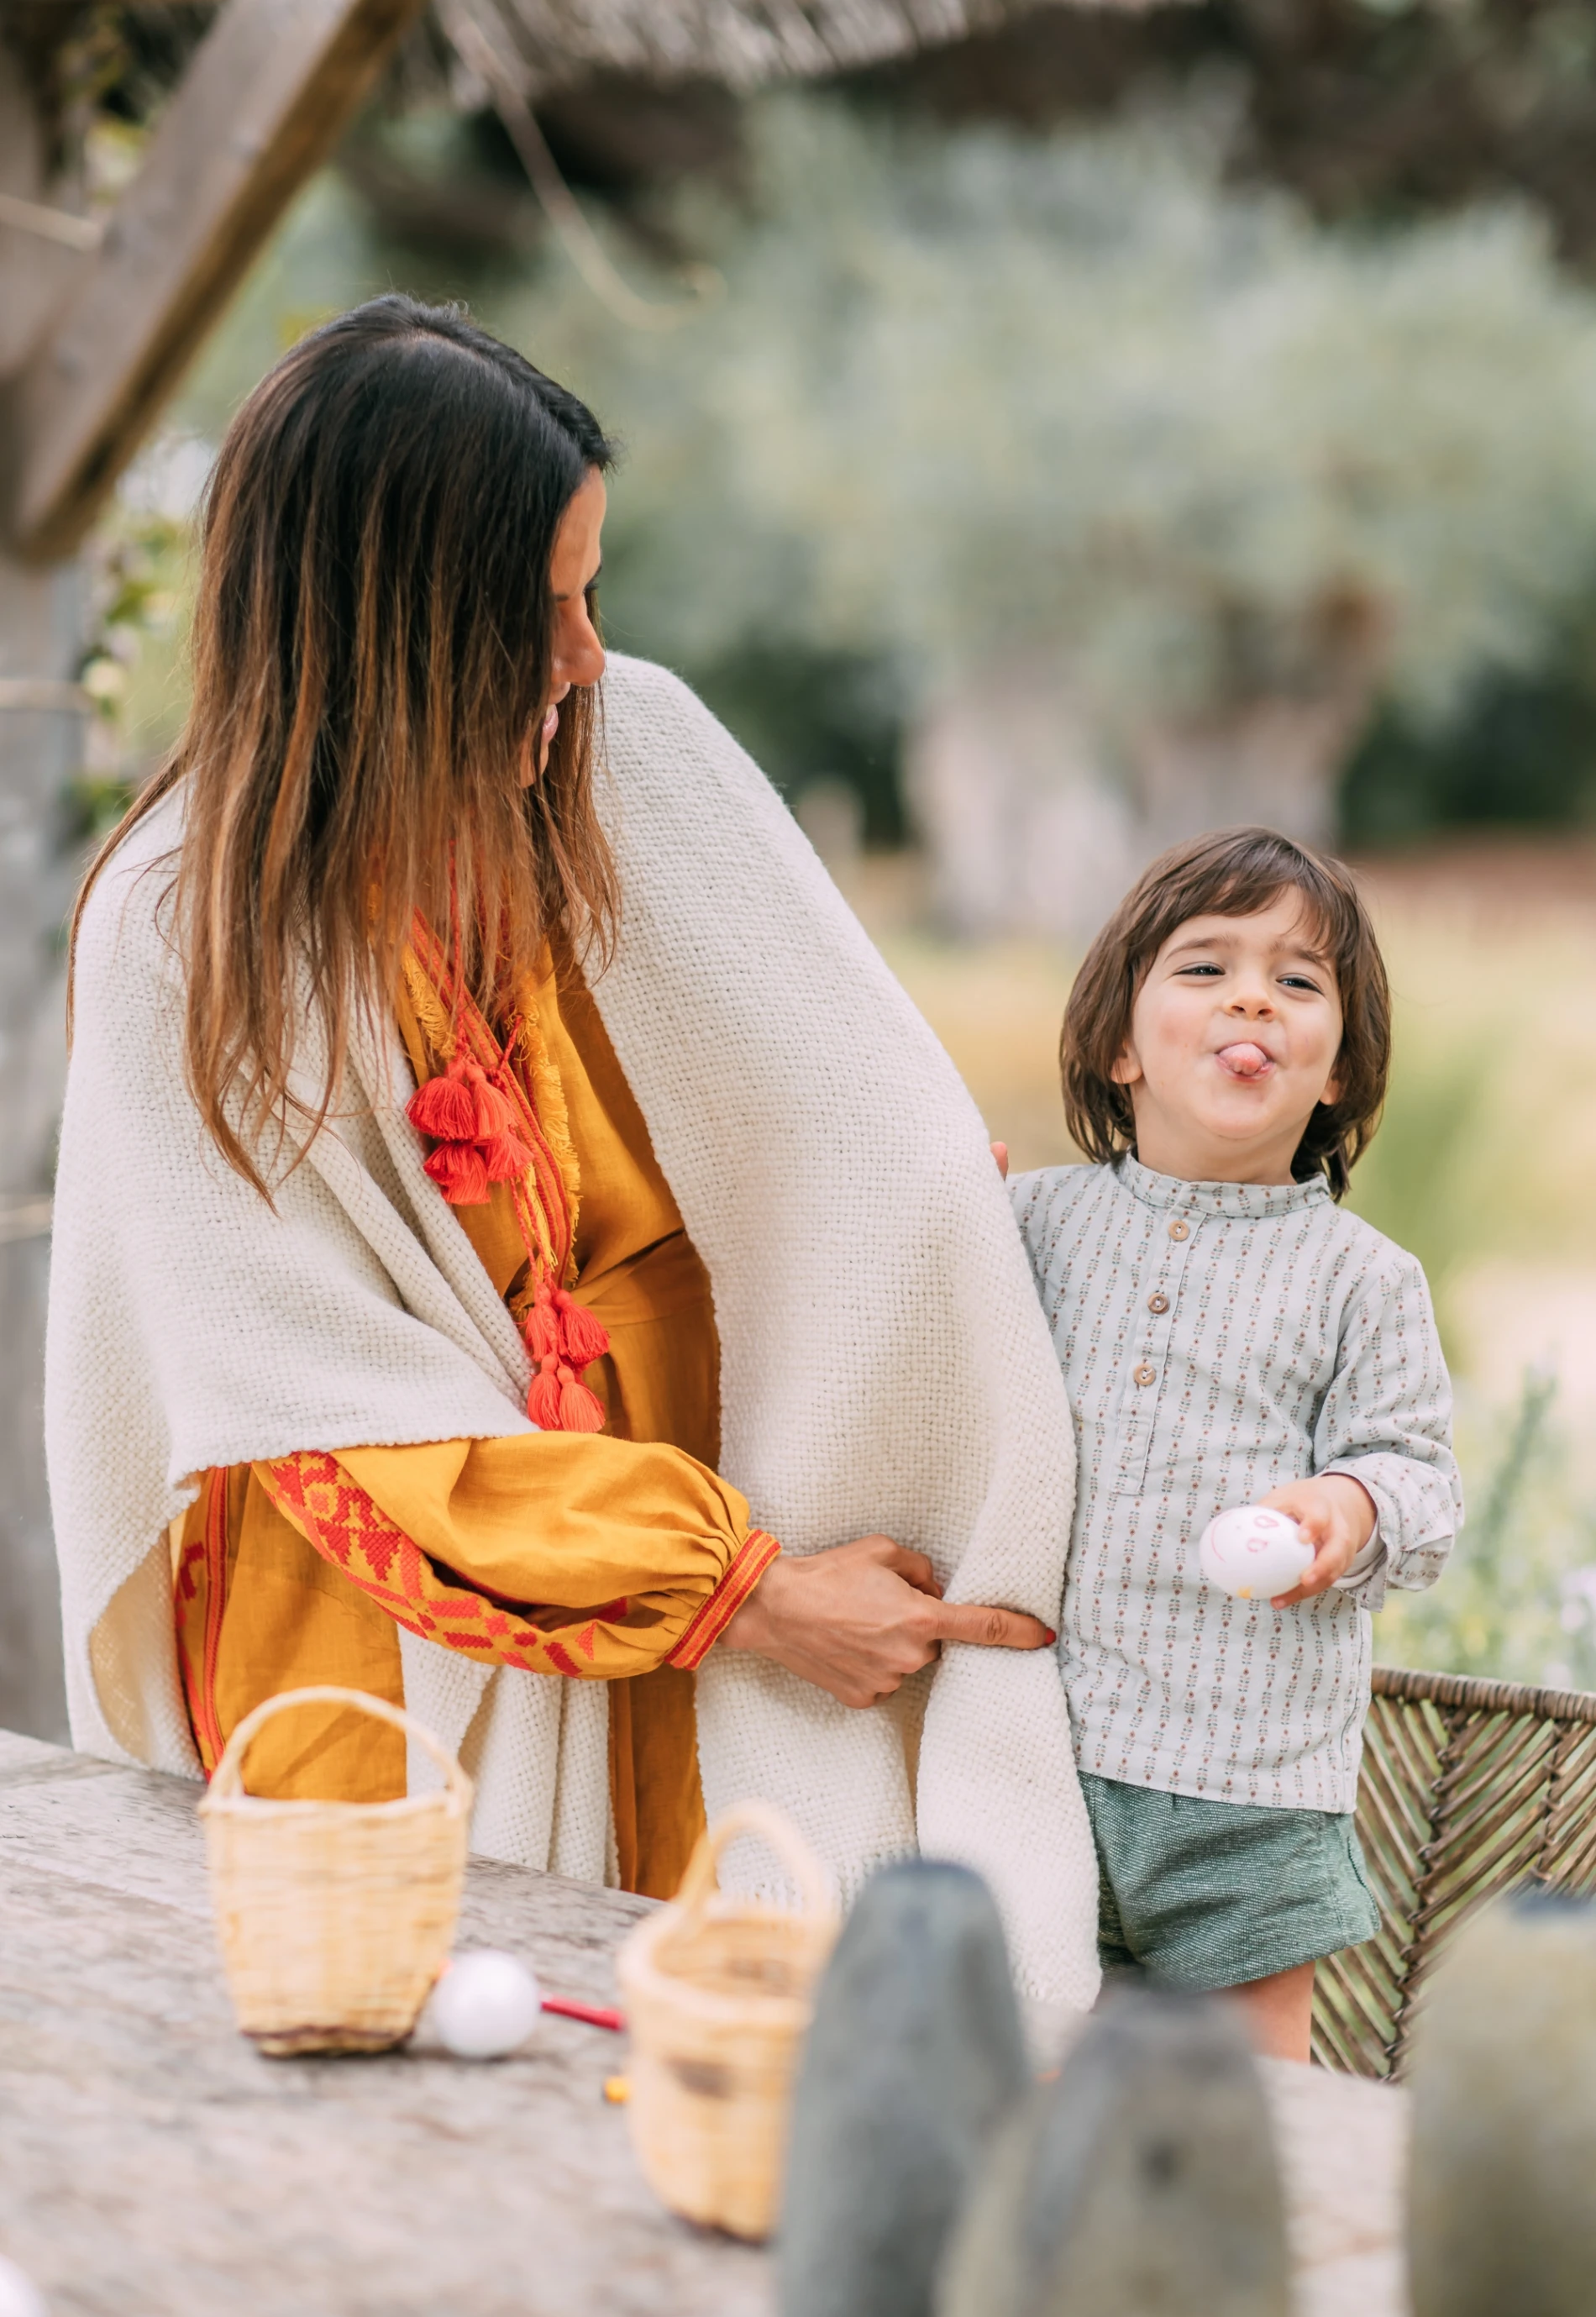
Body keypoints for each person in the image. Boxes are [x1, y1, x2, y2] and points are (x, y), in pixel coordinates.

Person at [49, 297, 1096, 1995]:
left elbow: (859, 1135)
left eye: (591, 589)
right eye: (537, 609)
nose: (589, 654)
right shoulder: (180, 931)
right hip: (397, 1625)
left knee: (727, 2037)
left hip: (724, 1521)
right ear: (393, 628)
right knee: (410, 2037)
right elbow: (331, 1421)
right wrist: (747, 1592)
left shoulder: (634, 758)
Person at [1009, 827, 1461, 2058]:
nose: (1252, 996)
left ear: (1338, 1072)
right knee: (1037, 2070)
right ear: (1119, 1045)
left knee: (1252, 2113)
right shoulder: (1028, 1221)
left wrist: (1349, 1506)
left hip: (1250, 1787)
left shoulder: (1362, 1279)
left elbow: (1419, 1476)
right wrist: (939, 1212)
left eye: (1298, 980)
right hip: (1035, 1748)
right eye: (1205, 967)